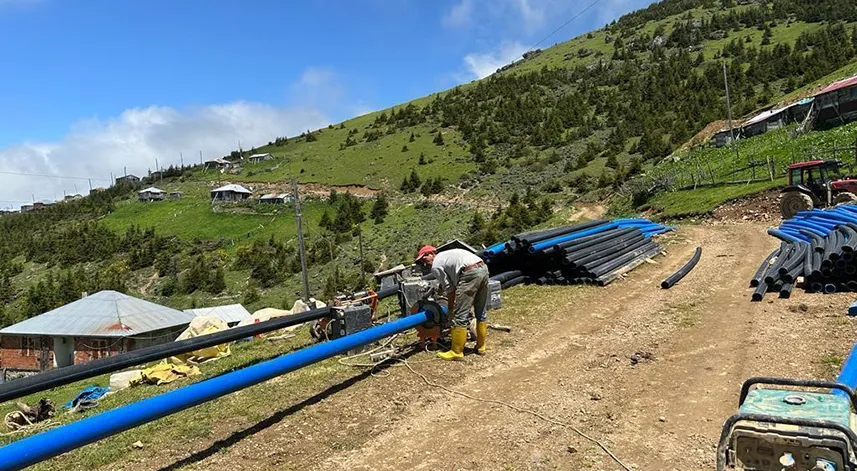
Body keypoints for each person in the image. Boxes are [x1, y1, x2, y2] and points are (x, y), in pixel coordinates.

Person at [415, 245, 488, 361]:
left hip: (469, 274)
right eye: (421, 260)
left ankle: (456, 352)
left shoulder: (436, 265)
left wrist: (450, 309)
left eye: (424, 257)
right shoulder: (447, 255)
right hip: (483, 268)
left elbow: (450, 289)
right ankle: (481, 346)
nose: (424, 261)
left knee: (460, 315)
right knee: (481, 310)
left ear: (432, 253)